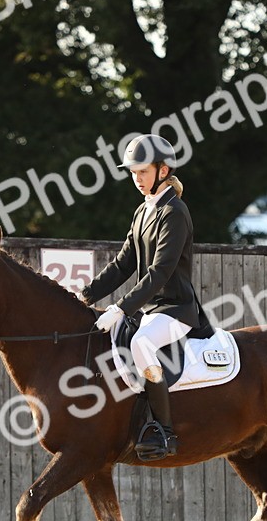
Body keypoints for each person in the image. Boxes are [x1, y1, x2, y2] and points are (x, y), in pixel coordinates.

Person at [78, 133, 210, 460]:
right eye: (133, 173)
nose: (137, 179)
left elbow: (160, 272)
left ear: (163, 171)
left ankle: (165, 432)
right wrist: (84, 294)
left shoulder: (174, 212)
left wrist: (121, 308)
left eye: (143, 172)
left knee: (141, 344)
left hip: (175, 310)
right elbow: (123, 263)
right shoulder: (142, 212)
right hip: (150, 311)